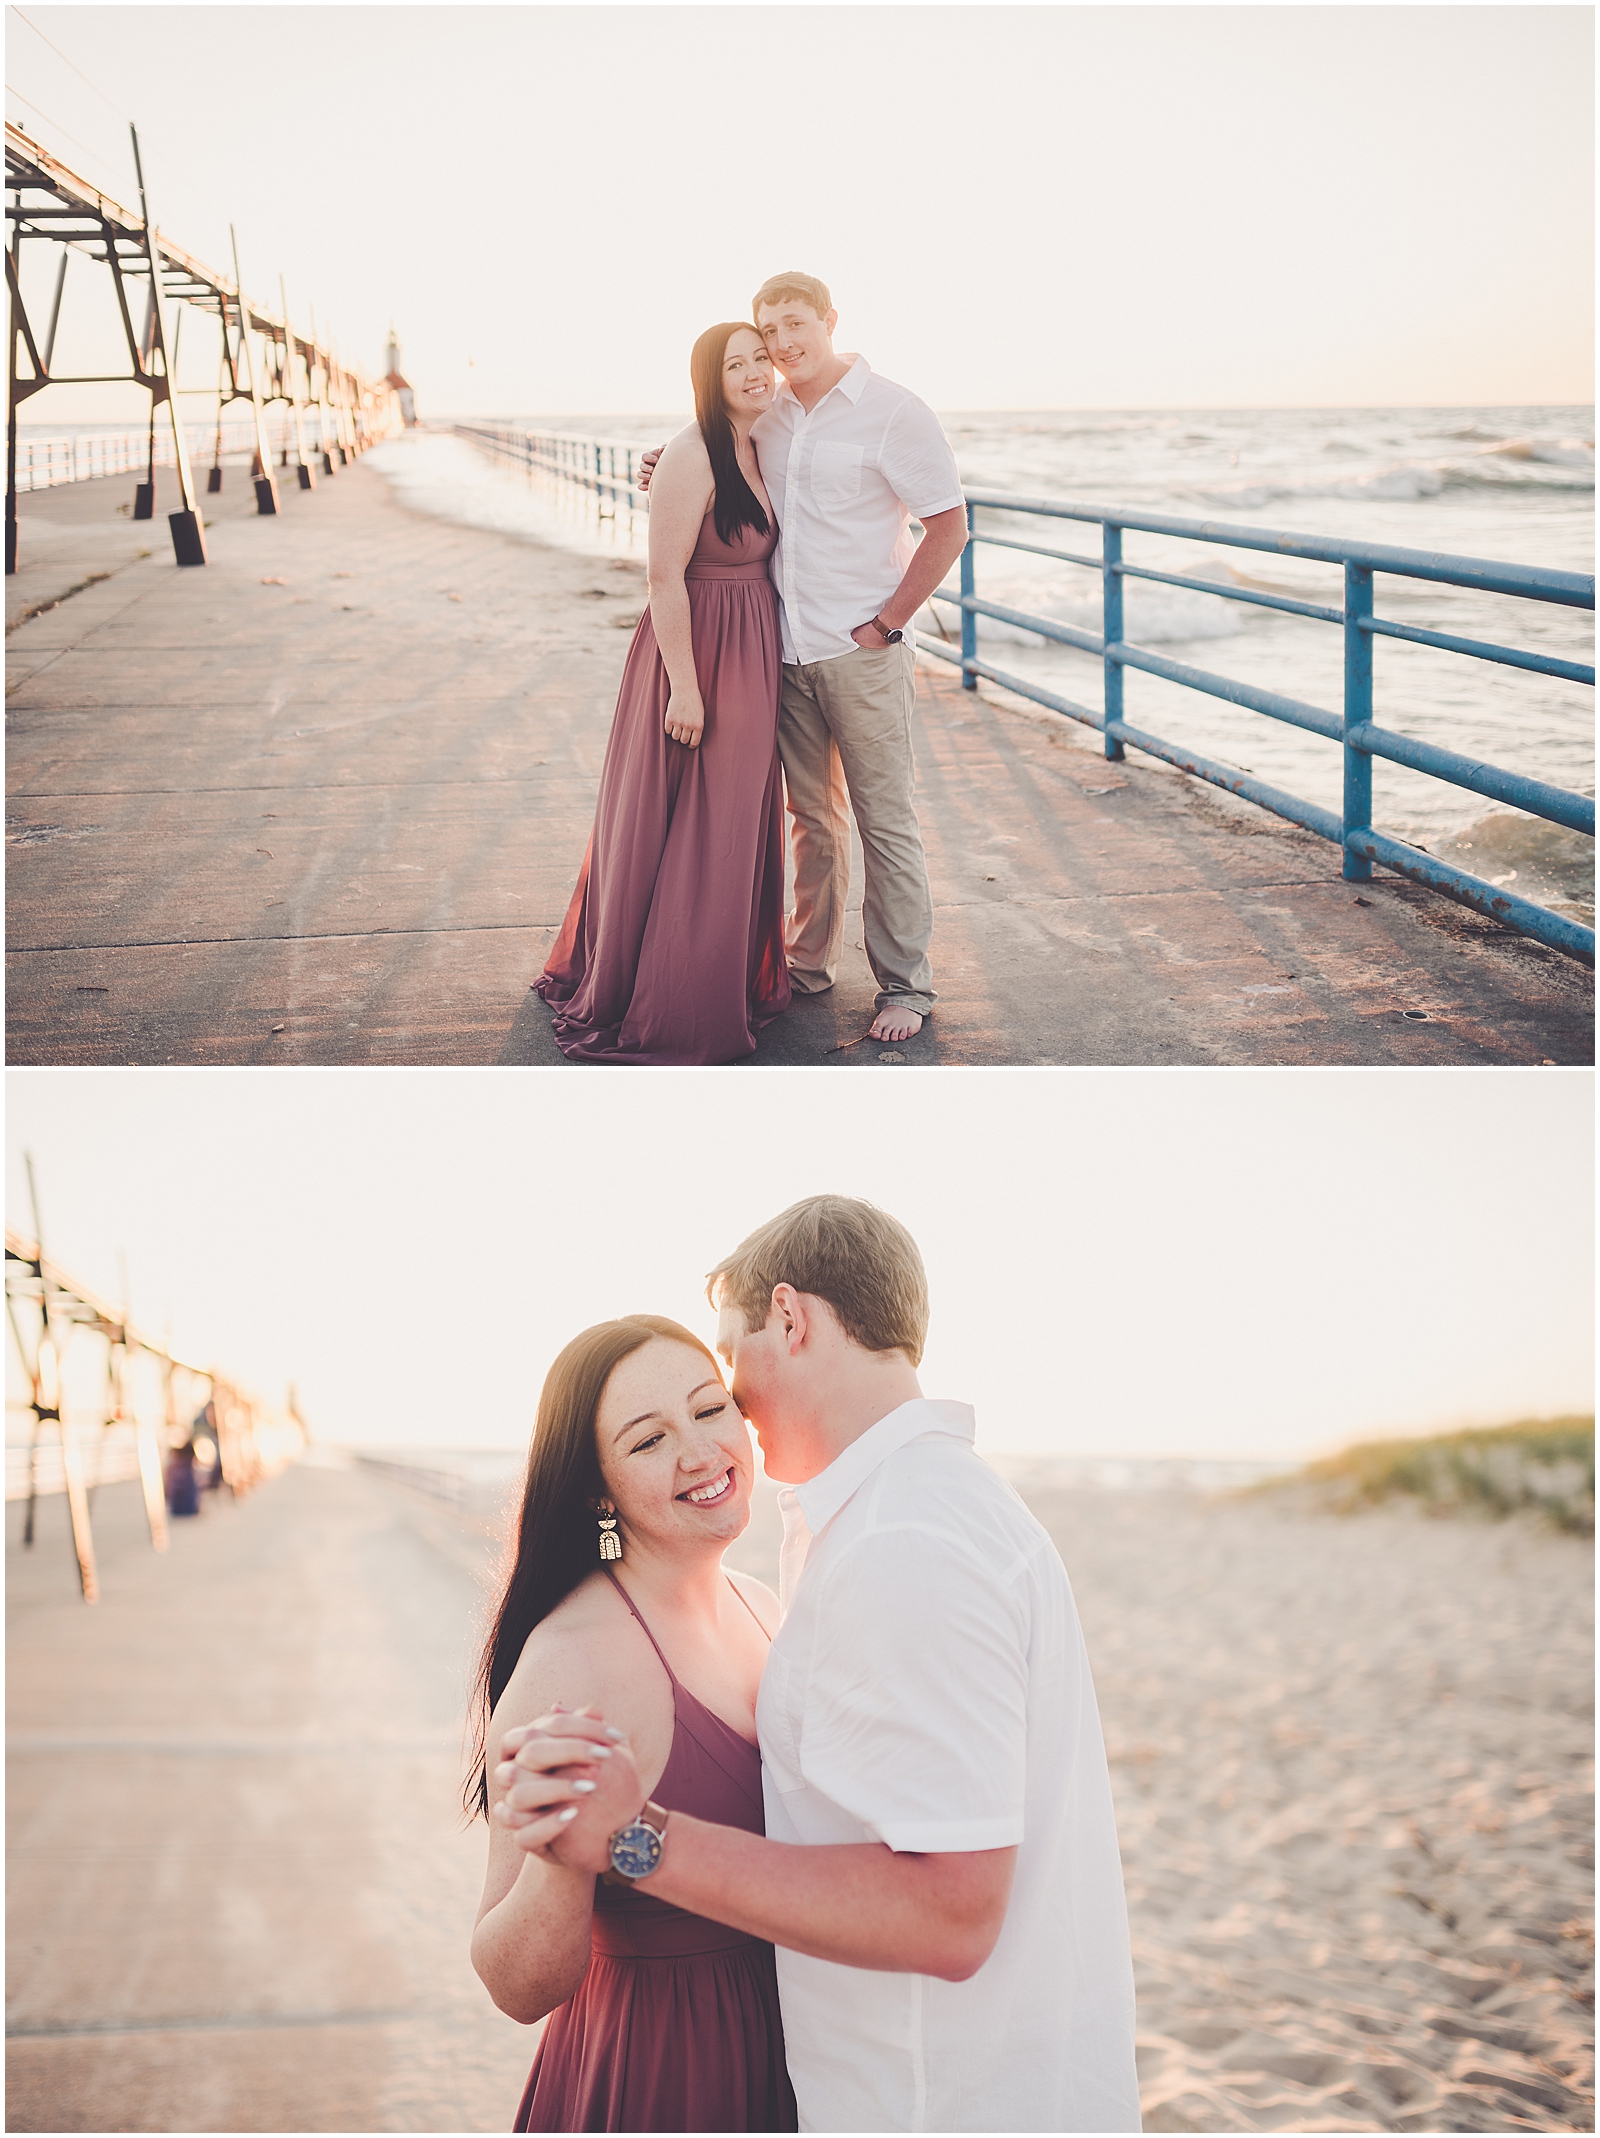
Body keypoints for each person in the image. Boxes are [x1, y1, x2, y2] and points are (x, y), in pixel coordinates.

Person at [497, 1197, 1143, 2134]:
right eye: (647, 1437)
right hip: (711, 2080)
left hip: (933, 2103)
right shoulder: (900, 1523)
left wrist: (635, 1837)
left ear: (790, 1319)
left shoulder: (902, 1539)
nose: (728, 1417)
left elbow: (950, 1911)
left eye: (722, 1382)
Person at [467, 1314, 797, 2133]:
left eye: (710, 1410)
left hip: (800, 2056)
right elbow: (514, 1986)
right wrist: (564, 1861)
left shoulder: (765, 1609)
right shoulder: (570, 1664)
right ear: (598, 1489)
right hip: (663, 2073)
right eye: (649, 1441)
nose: (698, 1453)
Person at [642, 274, 969, 1048]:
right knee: (810, 821)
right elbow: (716, 453)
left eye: (795, 325)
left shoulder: (894, 411)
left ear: (828, 321)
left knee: (885, 823)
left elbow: (949, 526)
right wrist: (666, 461)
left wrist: (887, 625)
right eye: (769, 331)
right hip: (782, 652)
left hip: (861, 652)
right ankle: (810, 966)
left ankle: (905, 987)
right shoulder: (774, 411)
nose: (783, 345)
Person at [532, 323, 791, 1063]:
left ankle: (717, 974)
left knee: (730, 817)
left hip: (750, 648)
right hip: (696, 650)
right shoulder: (694, 450)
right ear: (708, 381)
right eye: (732, 365)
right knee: (693, 822)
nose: (751, 374)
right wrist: (685, 687)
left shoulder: (761, 440)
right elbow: (662, 576)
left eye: (758, 360)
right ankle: (672, 993)